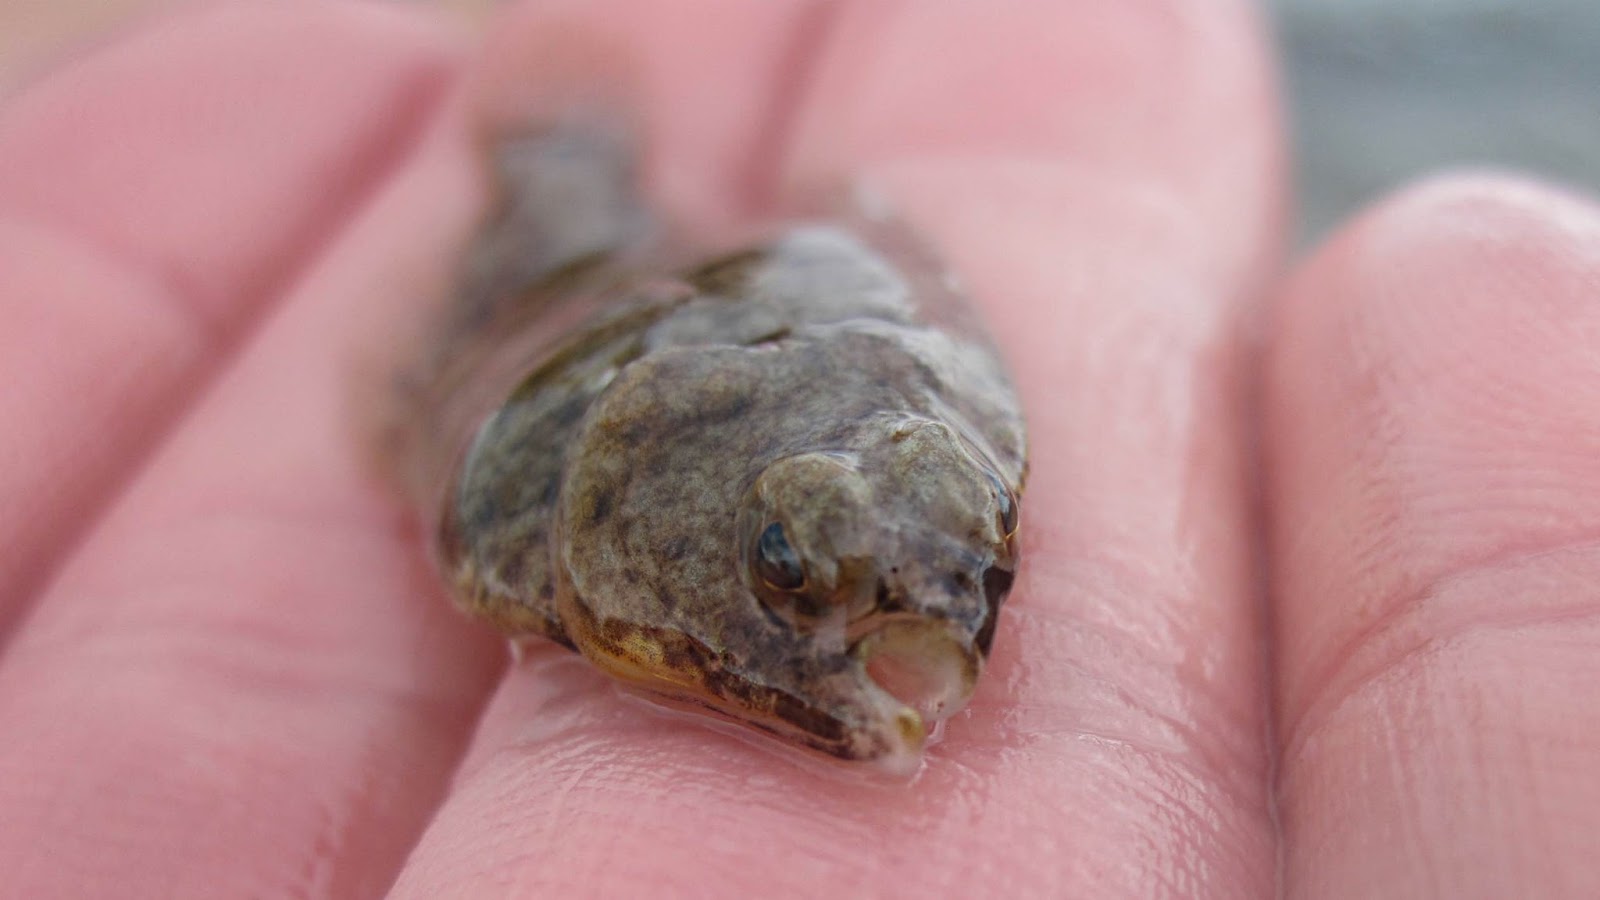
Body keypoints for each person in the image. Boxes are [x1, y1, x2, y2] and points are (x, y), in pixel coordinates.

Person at [0, 2, 1594, 897]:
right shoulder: (540, 511)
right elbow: (490, 487)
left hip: (753, 319)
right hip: (651, 325)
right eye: (786, 570)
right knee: (549, 188)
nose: (945, 652)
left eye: (982, 570)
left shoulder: (937, 435)